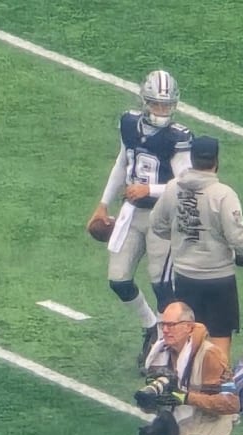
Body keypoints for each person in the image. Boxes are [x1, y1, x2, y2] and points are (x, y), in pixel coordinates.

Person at [87, 70, 192, 366]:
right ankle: (150, 326)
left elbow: (185, 181)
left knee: (163, 286)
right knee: (118, 279)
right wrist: (103, 203)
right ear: (145, 102)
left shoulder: (178, 137)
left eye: (167, 105)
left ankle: (167, 349)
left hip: (163, 217)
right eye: (157, 104)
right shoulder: (129, 124)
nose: (162, 110)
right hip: (131, 213)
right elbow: (123, 162)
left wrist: (150, 188)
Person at [150, 135, 243, 362]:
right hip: (219, 279)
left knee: (185, 339)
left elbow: (157, 225)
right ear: (216, 160)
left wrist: (180, 239)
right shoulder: (223, 194)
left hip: (184, 276)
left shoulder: (172, 188)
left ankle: (180, 390)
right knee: (219, 342)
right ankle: (213, 392)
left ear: (191, 159)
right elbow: (237, 237)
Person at [139, 301, 240, 435]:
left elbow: (231, 404)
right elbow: (160, 401)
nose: (165, 330)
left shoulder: (211, 355)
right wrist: (149, 402)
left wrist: (185, 397)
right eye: (163, 324)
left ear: (188, 327)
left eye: (171, 325)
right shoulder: (159, 354)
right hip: (179, 425)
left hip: (209, 425)